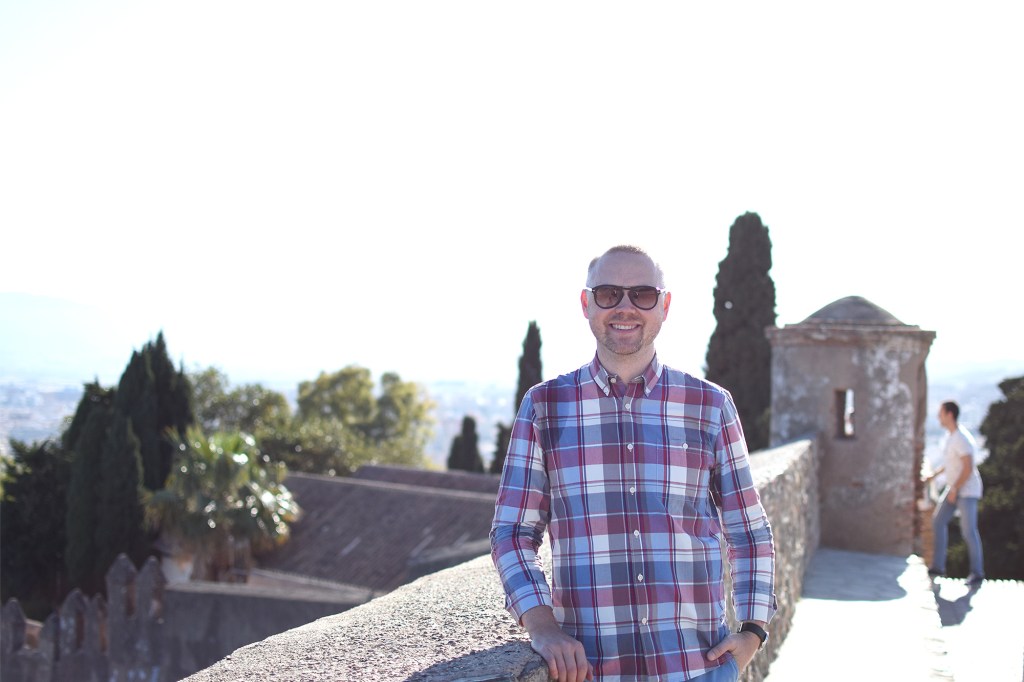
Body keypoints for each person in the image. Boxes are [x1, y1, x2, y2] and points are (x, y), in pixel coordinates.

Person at [490, 245, 777, 682]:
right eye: (608, 293)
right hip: (592, 671)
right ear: (586, 304)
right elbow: (512, 532)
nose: (625, 307)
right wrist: (541, 626)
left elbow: (748, 529)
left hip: (697, 667)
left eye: (643, 294)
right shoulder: (545, 406)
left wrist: (753, 630)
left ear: (664, 306)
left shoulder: (710, 405)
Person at [925, 400, 985, 586]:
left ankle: (977, 573)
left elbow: (968, 467)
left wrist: (955, 489)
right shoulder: (950, 437)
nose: (938, 417)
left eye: (941, 413)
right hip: (954, 489)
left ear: (949, 414)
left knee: (968, 531)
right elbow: (950, 463)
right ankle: (938, 567)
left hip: (966, 491)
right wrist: (933, 476)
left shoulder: (961, 438)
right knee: (938, 521)